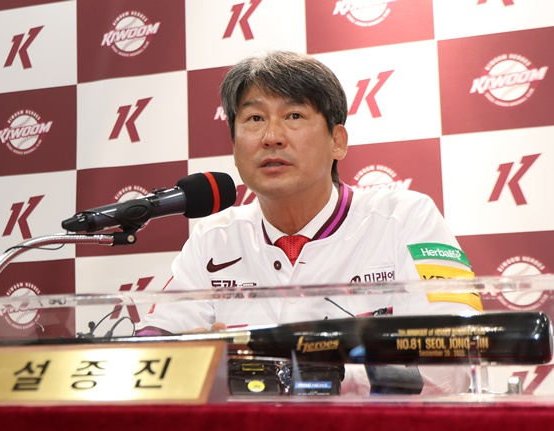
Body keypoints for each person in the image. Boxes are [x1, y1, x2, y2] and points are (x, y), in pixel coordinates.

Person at [137, 50, 479, 395]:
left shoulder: (406, 218)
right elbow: (150, 351)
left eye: (294, 115)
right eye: (254, 118)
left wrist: (306, 375)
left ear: (337, 141)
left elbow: (451, 360)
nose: (271, 136)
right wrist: (192, 363)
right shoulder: (213, 237)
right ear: (235, 148)